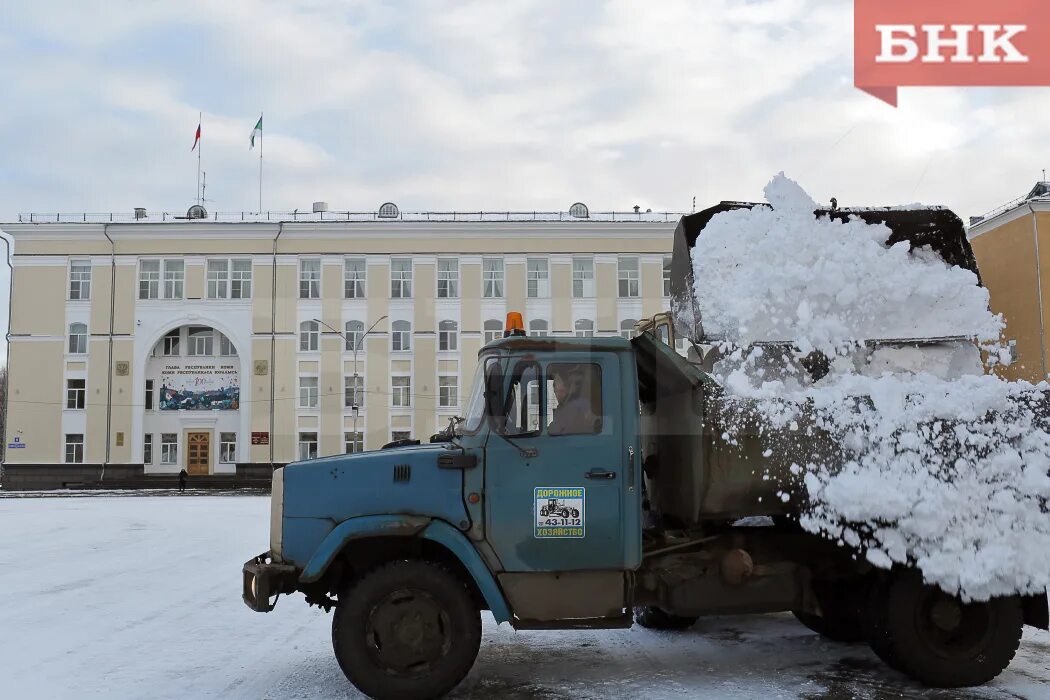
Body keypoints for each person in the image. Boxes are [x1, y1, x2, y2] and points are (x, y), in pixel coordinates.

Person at [548, 364, 600, 435]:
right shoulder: (568, 406)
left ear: (567, 386)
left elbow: (555, 431)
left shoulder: (574, 407)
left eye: (555, 384)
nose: (554, 389)